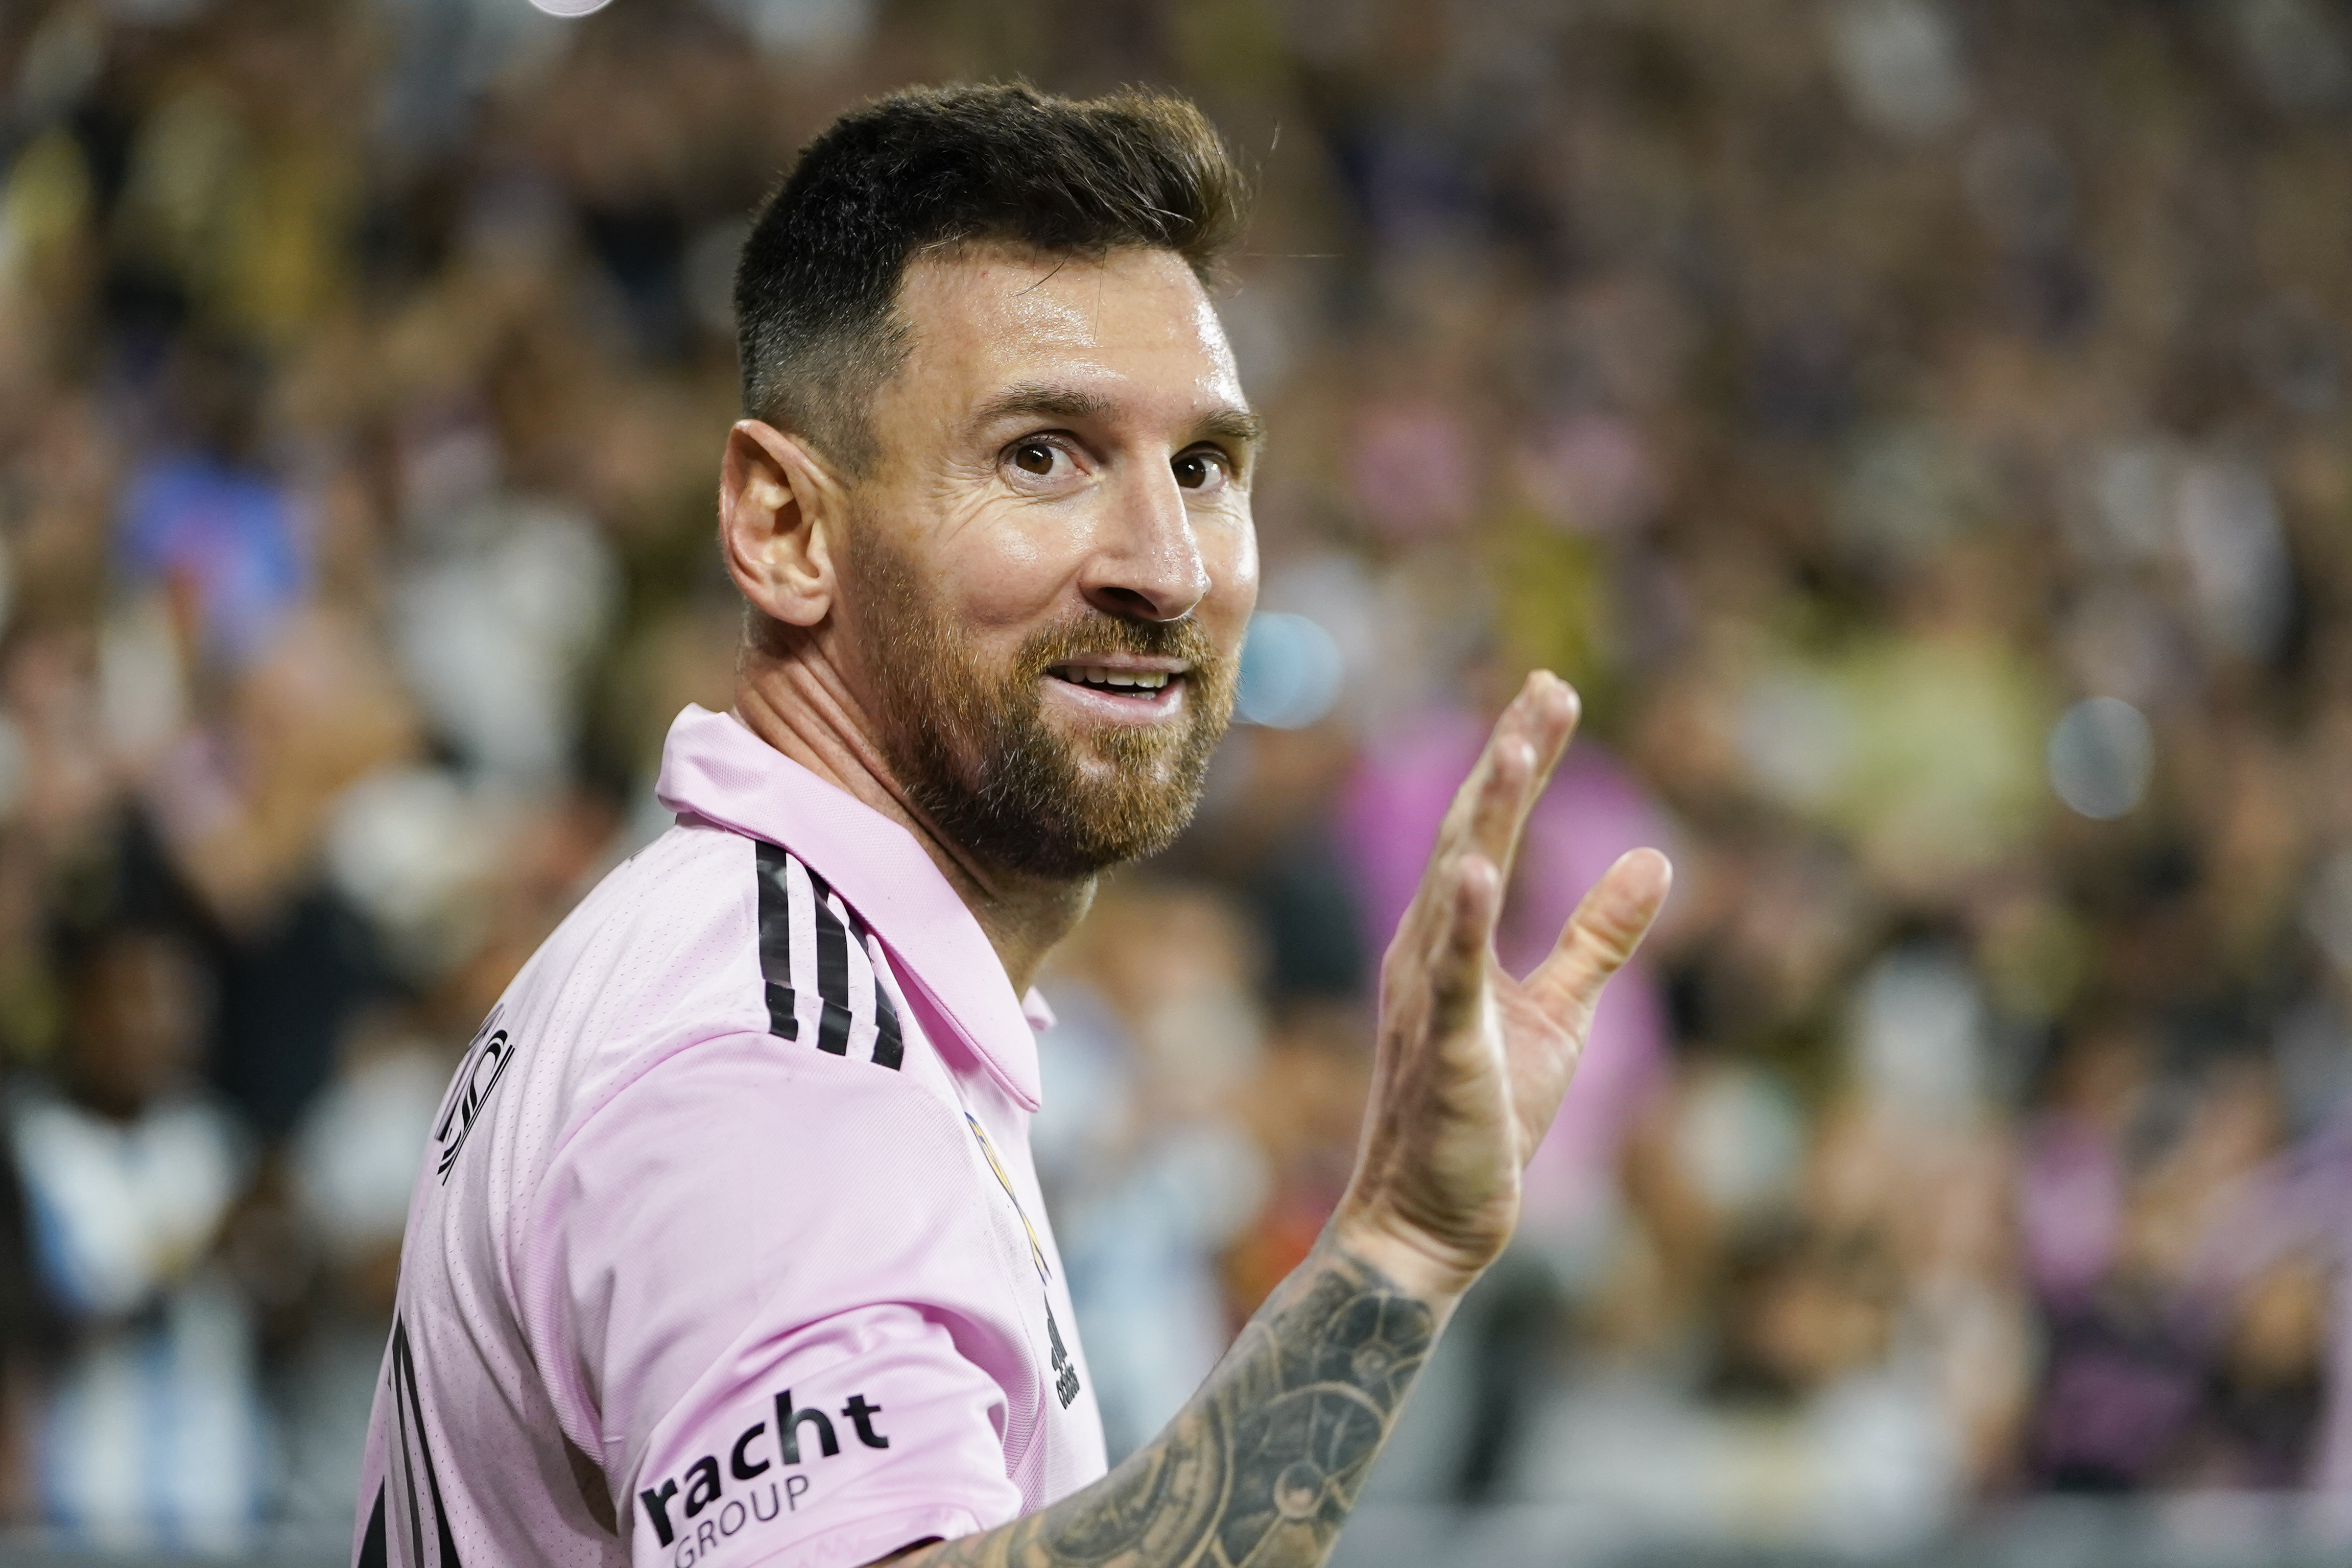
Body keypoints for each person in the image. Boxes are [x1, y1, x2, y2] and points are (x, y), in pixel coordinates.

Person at [353, 83, 1669, 1568]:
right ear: (785, 528)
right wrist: (1388, 1254)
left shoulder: (770, 966)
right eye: (1042, 454)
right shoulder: (773, 1052)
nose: (1166, 567)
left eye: (1203, 467)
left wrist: (1403, 1248)